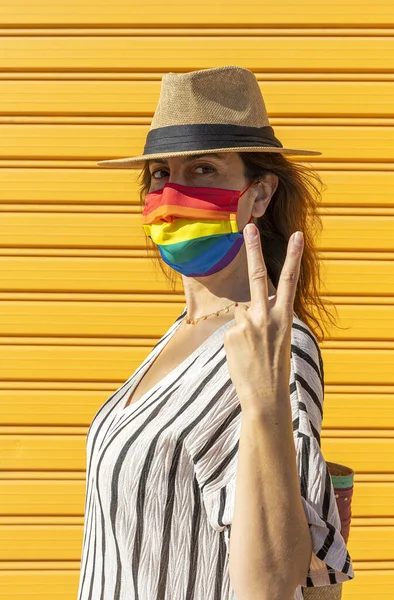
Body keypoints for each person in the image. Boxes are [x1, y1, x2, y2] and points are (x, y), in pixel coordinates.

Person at [76, 66, 354, 600]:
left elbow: (274, 582)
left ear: (260, 194)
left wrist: (265, 402)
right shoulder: (180, 335)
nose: (173, 190)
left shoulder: (276, 342)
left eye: (203, 168)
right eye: (160, 172)